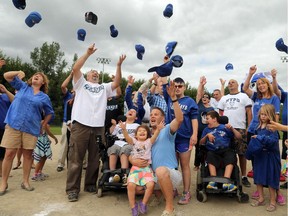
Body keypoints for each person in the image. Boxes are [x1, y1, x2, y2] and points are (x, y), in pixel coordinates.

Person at [65, 43, 126, 202]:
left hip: (98, 127)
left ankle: (90, 184)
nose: (95, 73)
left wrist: (118, 65)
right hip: (81, 125)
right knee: (76, 159)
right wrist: (87, 54)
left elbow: (117, 82)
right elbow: (76, 69)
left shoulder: (104, 88)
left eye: (97, 73)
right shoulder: (81, 84)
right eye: (93, 72)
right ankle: (72, 189)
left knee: (94, 158)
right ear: (87, 75)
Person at [131, 81, 183, 216]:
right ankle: (160, 194)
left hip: (170, 174)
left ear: (163, 118)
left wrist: (174, 99)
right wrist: (132, 160)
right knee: (134, 187)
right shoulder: (145, 136)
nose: (153, 116)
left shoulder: (167, 130)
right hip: (152, 177)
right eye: (152, 114)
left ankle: (170, 207)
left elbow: (179, 119)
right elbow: (133, 151)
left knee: (160, 171)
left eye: (156, 114)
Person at [0, 70, 54, 195]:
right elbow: (6, 76)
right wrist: (19, 72)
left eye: (40, 76)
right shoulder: (23, 86)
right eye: (35, 75)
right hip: (14, 124)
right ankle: (3, 183)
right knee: (9, 154)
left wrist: (43, 124)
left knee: (28, 155)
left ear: (43, 82)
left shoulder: (44, 97)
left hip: (31, 128)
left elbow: (50, 112)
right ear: (31, 79)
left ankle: (25, 181)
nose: (37, 76)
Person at [242, 65, 282, 200]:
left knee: (273, 164)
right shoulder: (256, 97)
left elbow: (275, 116)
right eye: (258, 84)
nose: (260, 86)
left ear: (268, 84)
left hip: (268, 132)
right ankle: (260, 190)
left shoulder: (274, 98)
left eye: (262, 83)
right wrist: (250, 74)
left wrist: (273, 129)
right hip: (254, 131)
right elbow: (245, 88)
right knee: (256, 161)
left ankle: (277, 192)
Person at [163, 77, 198, 205]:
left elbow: (194, 119)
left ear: (184, 87)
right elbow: (164, 80)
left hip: (184, 138)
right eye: (175, 86)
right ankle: (173, 189)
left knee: (185, 166)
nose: (177, 88)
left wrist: (194, 134)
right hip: (171, 137)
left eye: (180, 86)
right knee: (172, 166)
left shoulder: (190, 101)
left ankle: (186, 192)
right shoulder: (169, 97)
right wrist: (166, 64)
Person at [119, 121, 164, 216]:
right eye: (139, 131)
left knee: (151, 184)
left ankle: (143, 204)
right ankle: (133, 206)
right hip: (135, 168)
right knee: (130, 185)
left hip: (146, 169)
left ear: (148, 134)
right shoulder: (134, 142)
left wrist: (158, 129)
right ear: (136, 135)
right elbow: (127, 138)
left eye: (144, 131)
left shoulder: (149, 142)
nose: (142, 132)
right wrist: (123, 129)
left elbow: (155, 136)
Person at [218, 79, 253, 187]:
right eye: (229, 82)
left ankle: (243, 176)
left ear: (238, 84)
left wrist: (249, 126)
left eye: (233, 82)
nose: (230, 83)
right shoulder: (224, 98)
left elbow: (248, 112)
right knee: (226, 152)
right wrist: (221, 125)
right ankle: (228, 175)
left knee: (241, 153)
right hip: (226, 128)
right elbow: (220, 112)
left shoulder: (244, 96)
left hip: (240, 128)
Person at [246, 104, 281, 212]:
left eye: (265, 114)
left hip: (270, 157)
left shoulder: (272, 128)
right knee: (258, 177)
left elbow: (274, 141)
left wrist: (260, 138)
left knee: (271, 179)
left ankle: (272, 201)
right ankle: (261, 198)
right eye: (261, 114)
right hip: (259, 156)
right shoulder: (257, 127)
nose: (262, 116)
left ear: (270, 115)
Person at [199, 110, 242, 192]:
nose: (206, 120)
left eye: (208, 118)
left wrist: (232, 129)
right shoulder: (206, 130)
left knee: (231, 155)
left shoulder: (224, 127)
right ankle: (213, 182)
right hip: (213, 151)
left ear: (214, 119)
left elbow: (239, 137)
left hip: (226, 150)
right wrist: (207, 136)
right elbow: (200, 143)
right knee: (209, 155)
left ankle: (227, 182)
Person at [107, 108, 139, 183]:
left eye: (133, 111)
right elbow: (111, 133)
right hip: (118, 142)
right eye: (130, 110)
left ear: (136, 117)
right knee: (113, 149)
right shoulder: (119, 125)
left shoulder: (136, 125)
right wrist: (114, 125)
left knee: (124, 150)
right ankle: (112, 174)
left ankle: (124, 174)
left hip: (129, 143)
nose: (131, 111)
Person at [271, 69, 288, 190]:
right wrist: (274, 78)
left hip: (284, 128)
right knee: (287, 156)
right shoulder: (286, 95)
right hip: (286, 131)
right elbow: (276, 91)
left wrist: (279, 127)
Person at [194, 76, 214, 171]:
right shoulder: (199, 104)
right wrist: (201, 84)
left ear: (209, 100)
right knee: (198, 147)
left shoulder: (212, 109)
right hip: (198, 130)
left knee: (207, 147)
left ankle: (206, 163)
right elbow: (199, 94)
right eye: (204, 97)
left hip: (208, 130)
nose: (204, 98)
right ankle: (197, 164)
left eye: (207, 97)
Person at [57, 71, 73, 172]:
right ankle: (60, 164)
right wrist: (71, 75)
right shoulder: (68, 96)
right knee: (65, 143)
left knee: (80, 144)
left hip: (79, 124)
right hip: (66, 122)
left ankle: (84, 164)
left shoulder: (83, 97)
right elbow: (63, 87)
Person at [0, 83, 14, 177]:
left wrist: (6, 90)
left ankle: (2, 171)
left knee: (4, 150)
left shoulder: (5, 96)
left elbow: (15, 101)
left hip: (5, 127)